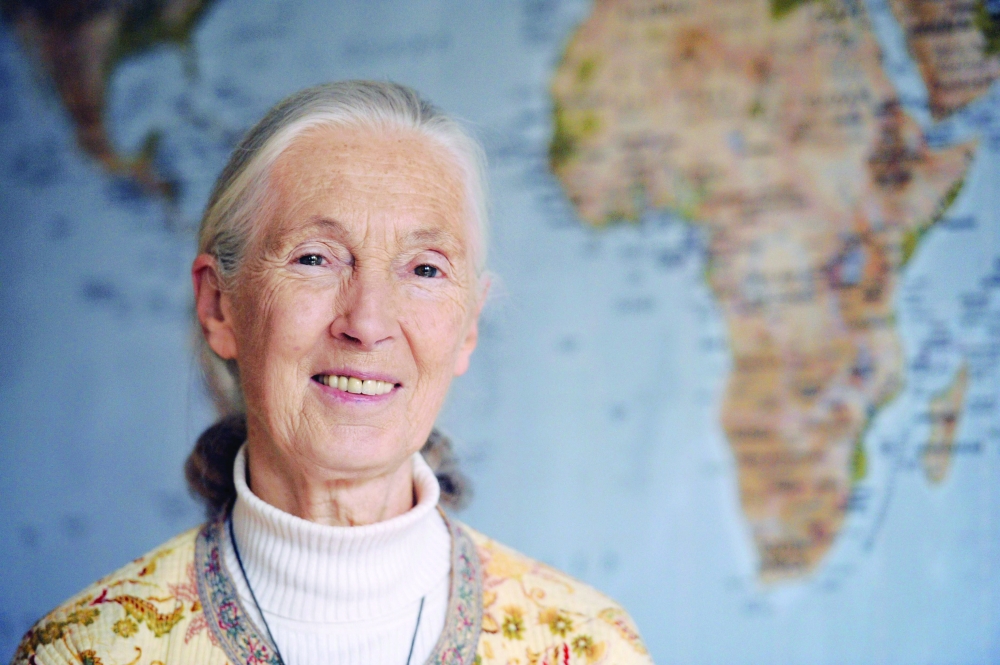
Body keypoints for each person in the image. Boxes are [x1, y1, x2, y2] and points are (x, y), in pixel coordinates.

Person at [12, 81, 652, 665]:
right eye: (315, 258)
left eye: (425, 269)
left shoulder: (588, 647)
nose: (367, 322)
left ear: (468, 327)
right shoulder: (83, 651)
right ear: (219, 305)